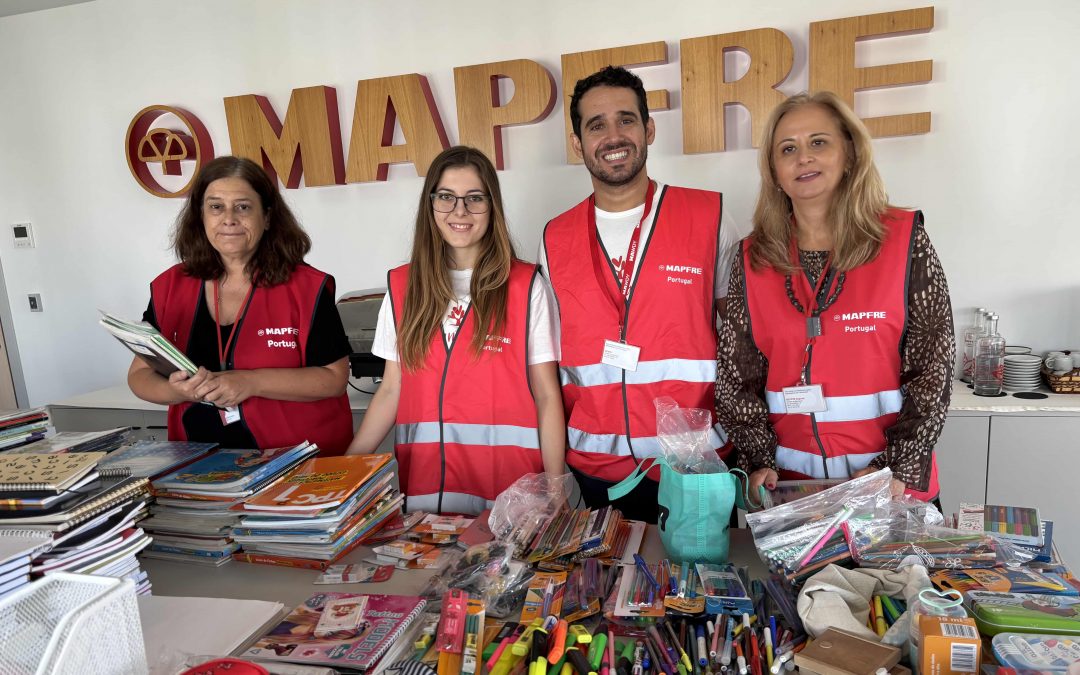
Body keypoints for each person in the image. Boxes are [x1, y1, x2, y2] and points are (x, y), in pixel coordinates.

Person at [717, 91, 955, 502]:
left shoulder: (904, 241)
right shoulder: (752, 258)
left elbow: (933, 368)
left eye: (818, 142)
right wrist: (757, 460)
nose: (803, 157)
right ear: (774, 171)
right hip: (793, 492)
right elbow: (737, 376)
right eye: (787, 149)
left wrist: (896, 465)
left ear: (849, 153)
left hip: (888, 488)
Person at [539, 66, 743, 522]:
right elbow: (549, 365)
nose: (613, 136)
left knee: (705, 572)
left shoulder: (708, 215)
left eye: (626, 120)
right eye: (596, 125)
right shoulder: (554, 237)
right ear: (578, 144)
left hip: (695, 466)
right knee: (607, 572)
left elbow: (743, 343)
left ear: (648, 129)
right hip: (597, 470)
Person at [346, 146, 565, 516]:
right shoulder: (402, 287)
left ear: (491, 206)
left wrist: (556, 489)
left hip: (510, 492)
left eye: (474, 198)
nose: (459, 211)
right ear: (431, 204)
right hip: (427, 491)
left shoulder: (527, 286)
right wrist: (345, 469)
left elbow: (546, 395)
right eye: (446, 197)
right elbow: (392, 389)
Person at [128, 156, 353, 455]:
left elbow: (334, 379)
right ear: (200, 216)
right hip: (199, 463)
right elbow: (139, 375)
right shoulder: (169, 287)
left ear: (267, 217)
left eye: (243, 207)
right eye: (216, 207)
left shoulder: (307, 287)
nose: (229, 218)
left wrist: (250, 382)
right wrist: (177, 391)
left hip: (298, 461)